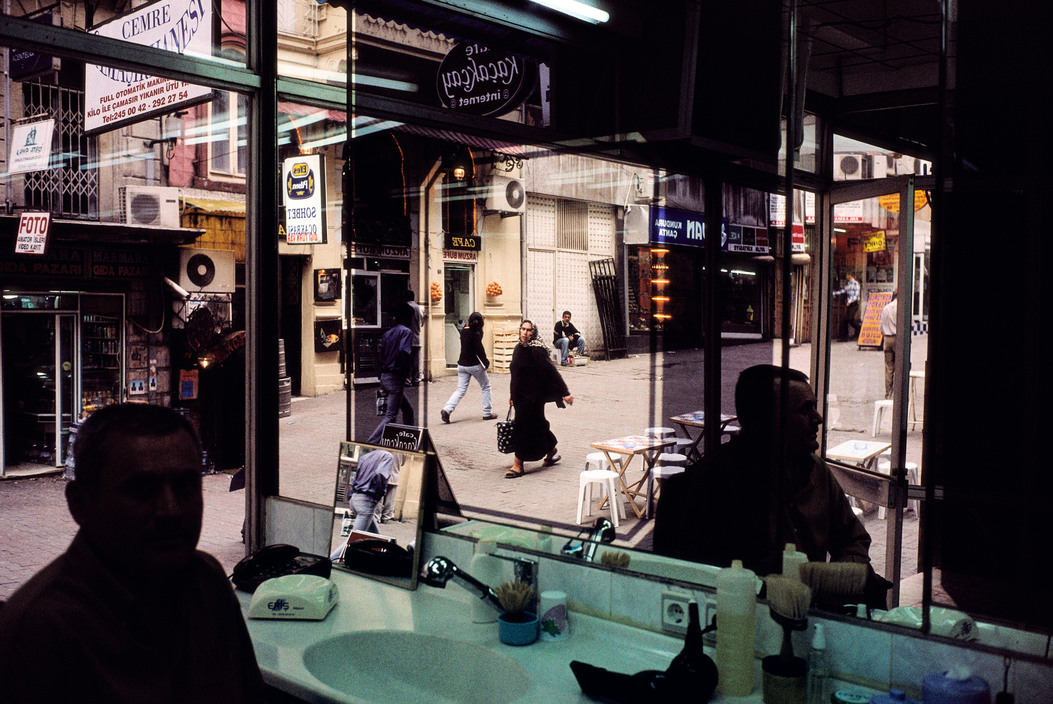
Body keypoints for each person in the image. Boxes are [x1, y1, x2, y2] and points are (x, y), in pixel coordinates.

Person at [0, 403, 265, 704]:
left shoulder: (207, 581)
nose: (170, 510)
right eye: (140, 490)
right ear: (81, 504)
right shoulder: (40, 630)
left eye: (186, 486)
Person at [653, 365, 874, 580]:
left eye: (814, 407)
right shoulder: (709, 486)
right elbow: (697, 580)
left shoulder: (817, 472)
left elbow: (852, 539)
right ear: (765, 420)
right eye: (805, 409)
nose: (818, 418)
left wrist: (832, 581)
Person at [507, 319, 574, 478]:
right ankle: (551, 450)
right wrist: (511, 394)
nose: (525, 333)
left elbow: (552, 372)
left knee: (522, 427)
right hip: (519, 397)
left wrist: (565, 393)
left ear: (533, 332)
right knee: (538, 425)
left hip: (533, 397)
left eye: (529, 330)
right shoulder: (518, 348)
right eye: (523, 329)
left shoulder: (537, 350)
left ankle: (518, 464)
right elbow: (515, 374)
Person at [368, 302, 415, 444]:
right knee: (391, 416)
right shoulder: (406, 332)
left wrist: (380, 377)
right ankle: (371, 442)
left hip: (385, 376)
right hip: (395, 377)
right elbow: (403, 351)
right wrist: (406, 372)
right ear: (407, 318)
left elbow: (380, 355)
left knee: (408, 410)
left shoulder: (388, 333)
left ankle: (409, 439)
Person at [441, 311, 496, 423]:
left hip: (461, 365)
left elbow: (469, 332)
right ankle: (487, 413)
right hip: (474, 365)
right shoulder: (476, 334)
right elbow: (479, 350)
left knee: (460, 390)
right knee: (486, 386)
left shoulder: (463, 332)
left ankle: (447, 409)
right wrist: (486, 363)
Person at [349, 448, 395, 533]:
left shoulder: (365, 456)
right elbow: (380, 474)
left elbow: (355, 478)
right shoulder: (387, 456)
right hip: (366, 501)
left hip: (355, 498)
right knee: (354, 540)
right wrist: (378, 496)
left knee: (375, 536)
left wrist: (351, 496)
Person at [405, 289, 425, 387]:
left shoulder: (405, 307)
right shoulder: (420, 308)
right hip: (417, 338)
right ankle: (416, 379)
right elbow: (422, 324)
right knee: (416, 361)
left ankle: (408, 380)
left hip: (407, 339)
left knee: (407, 361)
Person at [833, 272, 861, 339]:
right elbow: (843, 291)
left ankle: (859, 330)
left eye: (847, 275)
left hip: (854, 304)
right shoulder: (849, 284)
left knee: (850, 320)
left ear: (850, 275)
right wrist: (834, 293)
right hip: (850, 304)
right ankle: (845, 336)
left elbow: (856, 295)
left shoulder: (855, 284)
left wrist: (850, 301)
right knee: (846, 320)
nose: (846, 276)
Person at [880, 292, 898, 399]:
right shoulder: (901, 308)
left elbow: (881, 328)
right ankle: (897, 392)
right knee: (899, 366)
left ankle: (888, 393)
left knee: (889, 368)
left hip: (887, 339)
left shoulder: (886, 308)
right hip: (898, 338)